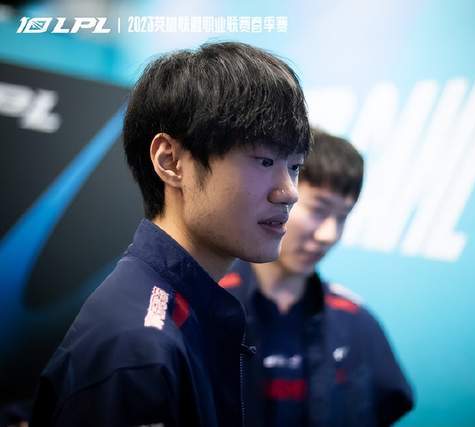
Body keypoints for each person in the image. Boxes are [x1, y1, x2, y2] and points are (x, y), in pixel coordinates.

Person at [30, 41, 311, 427]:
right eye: (265, 161)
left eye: (294, 166)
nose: (289, 192)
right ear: (171, 161)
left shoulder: (178, 310)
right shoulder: (139, 349)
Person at [220, 129, 414, 427]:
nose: (329, 234)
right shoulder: (206, 304)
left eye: (342, 217)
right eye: (319, 210)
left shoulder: (355, 322)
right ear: (278, 195)